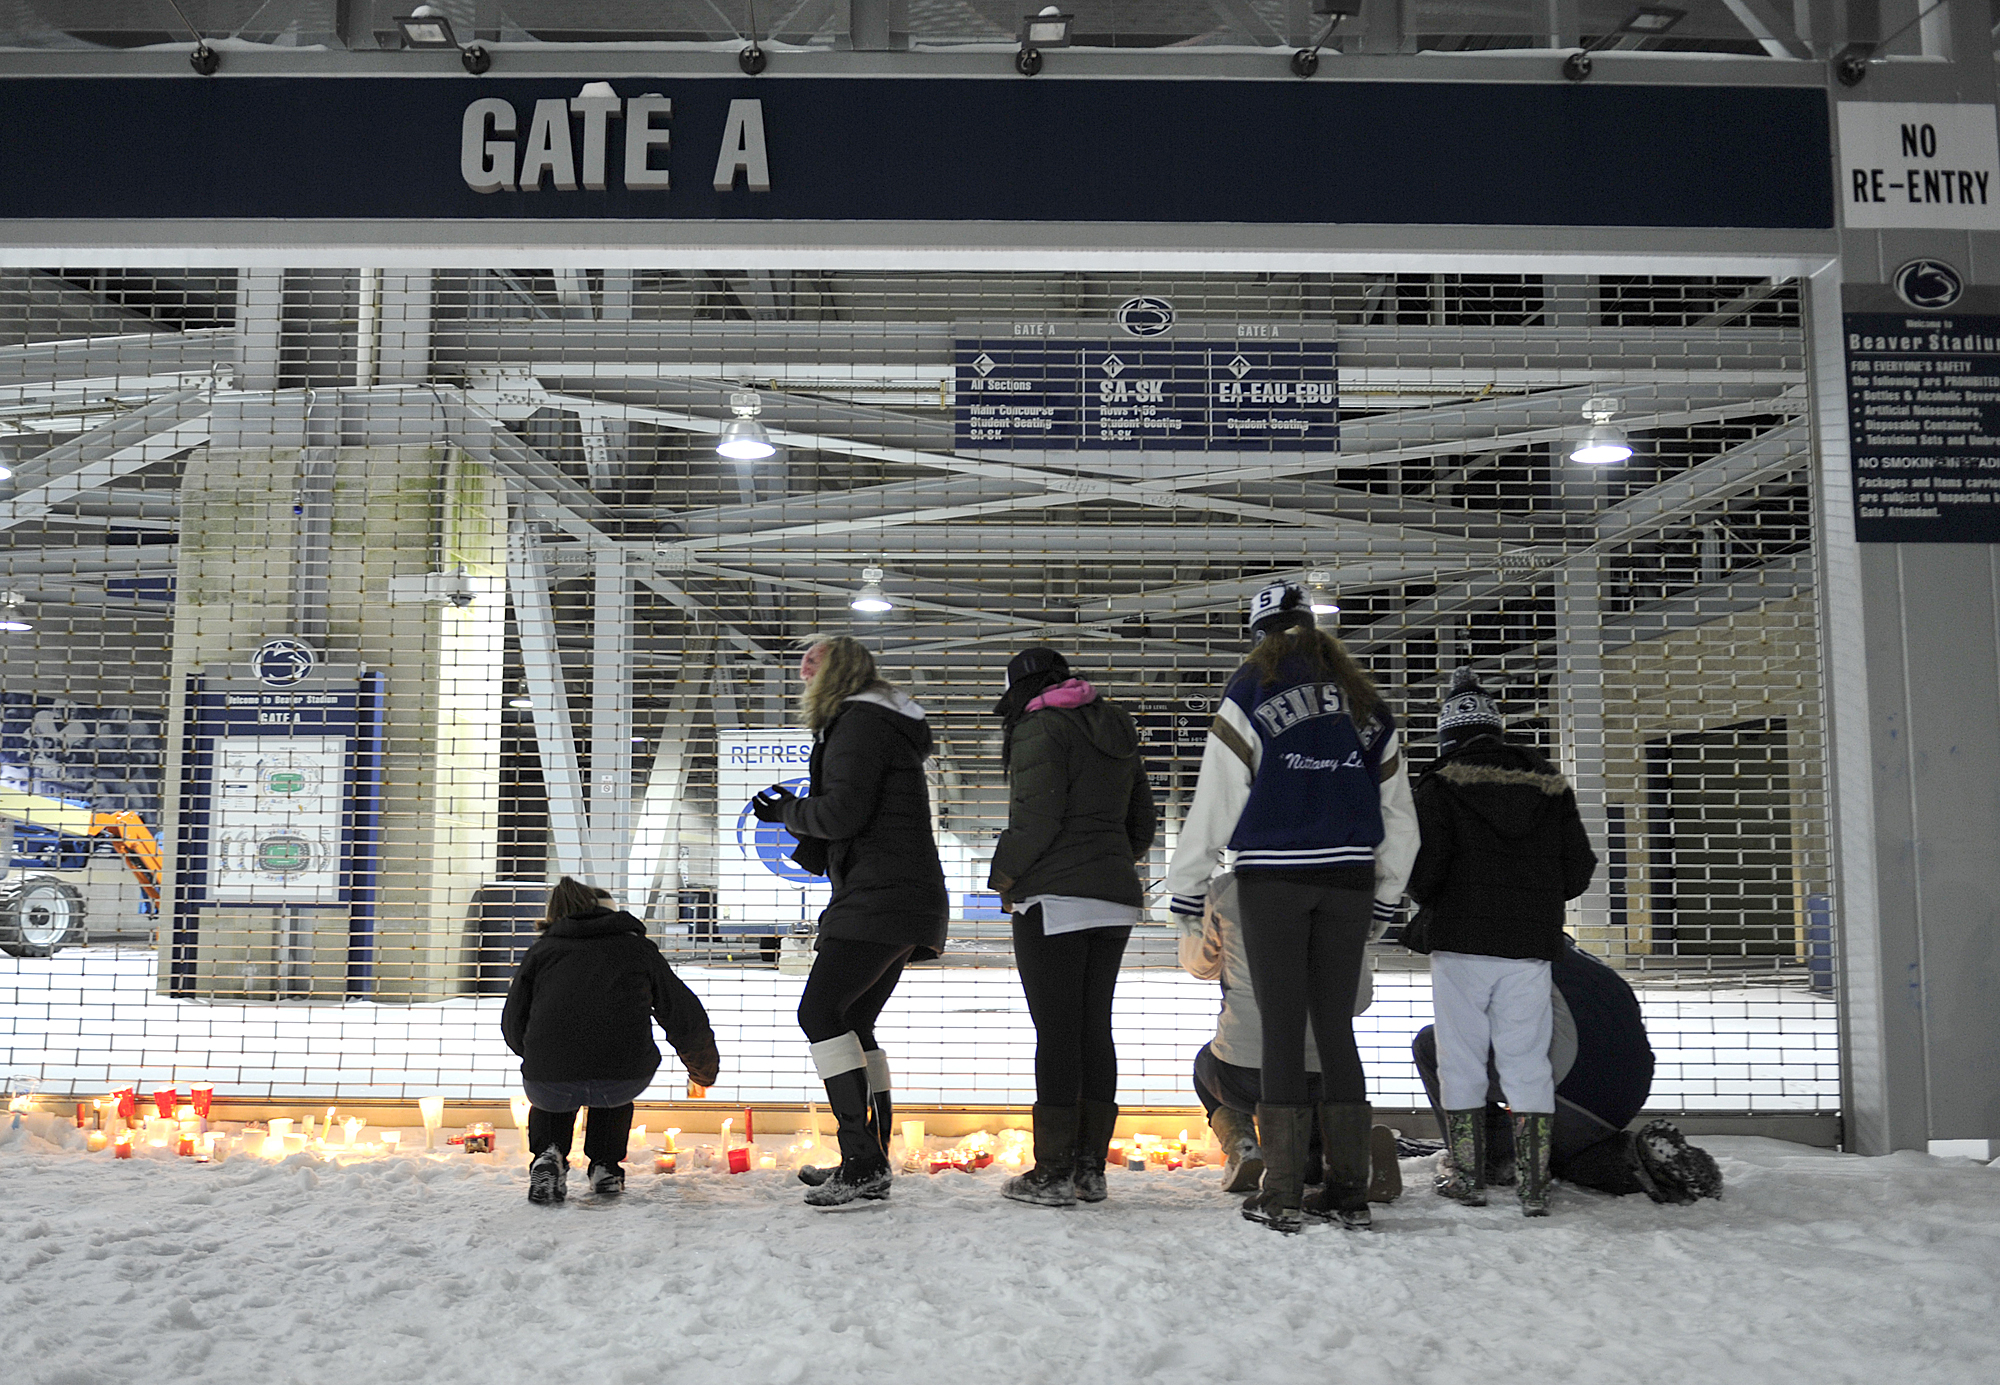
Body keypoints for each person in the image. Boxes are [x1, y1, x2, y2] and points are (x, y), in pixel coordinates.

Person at [1164, 582, 1419, 1233]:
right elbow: (1399, 819)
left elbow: (1216, 800)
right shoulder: (1366, 706)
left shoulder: (1250, 693)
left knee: (1283, 1028)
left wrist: (1189, 891)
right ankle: (1347, 1191)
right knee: (1335, 1029)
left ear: (1258, 636)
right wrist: (1385, 901)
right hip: (1349, 879)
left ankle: (1280, 1192)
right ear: (1316, 630)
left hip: (1273, 880)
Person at [753, 635, 949, 1207]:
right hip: (902, 898)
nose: (802, 677)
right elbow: (863, 814)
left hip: (879, 899)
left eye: (811, 666)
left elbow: (841, 813)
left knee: (819, 1011)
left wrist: (788, 813)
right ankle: (869, 1158)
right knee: (855, 1018)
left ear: (837, 672)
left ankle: (863, 1162)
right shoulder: (879, 725)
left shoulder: (856, 723)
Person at [1404, 667, 1595, 1217]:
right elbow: (1578, 870)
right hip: (1529, 945)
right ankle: (1535, 1188)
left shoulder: (1439, 785)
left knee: (1460, 1060)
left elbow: (1425, 873)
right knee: (1526, 1062)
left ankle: (1469, 1178)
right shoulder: (1550, 784)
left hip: (1461, 944)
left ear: (1448, 734)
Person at [985, 647, 1157, 1208]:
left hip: (1055, 900)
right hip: (1112, 900)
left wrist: (1004, 875)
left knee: (1057, 1034)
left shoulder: (1041, 727)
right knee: (1092, 1030)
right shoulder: (1115, 724)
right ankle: (1089, 1170)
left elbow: (1036, 819)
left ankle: (1053, 1172)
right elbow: (1141, 822)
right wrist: (1107, 865)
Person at [1411, 935, 1723, 1205]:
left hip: (1570, 1095)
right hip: (1620, 1099)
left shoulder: (1502, 960)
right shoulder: (1580, 960)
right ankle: (1641, 1161)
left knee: (1432, 1044)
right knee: (1567, 1155)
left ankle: (1485, 1159)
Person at [1180, 870, 1400, 1204]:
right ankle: (1351, 1157)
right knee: (1313, 1107)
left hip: (1246, 1075)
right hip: (1330, 1077)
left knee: (1207, 1062)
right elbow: (1359, 999)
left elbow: (1199, 965)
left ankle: (1243, 1146)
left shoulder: (1230, 888)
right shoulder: (1347, 888)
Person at [501, 876, 720, 1205]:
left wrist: (537, 1056)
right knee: (612, 1075)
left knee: (557, 1084)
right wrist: (703, 1073)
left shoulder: (542, 951)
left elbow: (512, 1021)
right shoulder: (637, 949)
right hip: (622, 1077)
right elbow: (684, 1016)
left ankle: (548, 1157)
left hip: (550, 1079)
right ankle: (605, 1166)